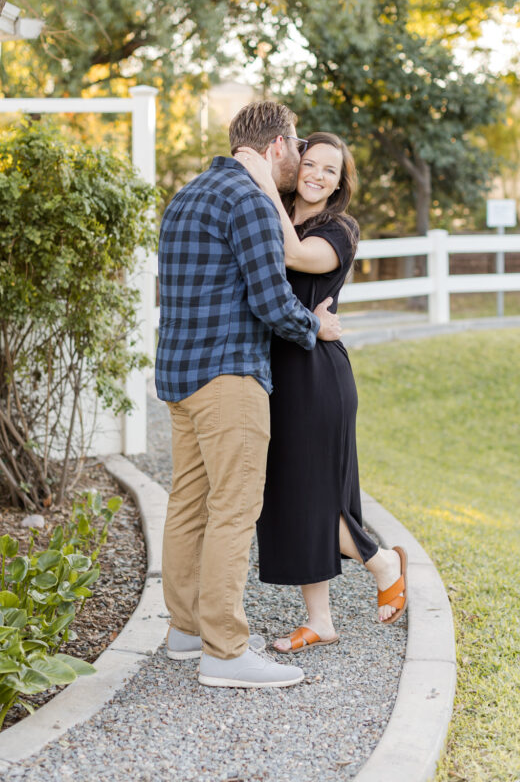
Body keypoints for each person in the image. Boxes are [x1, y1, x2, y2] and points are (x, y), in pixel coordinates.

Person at [156, 102, 343, 687]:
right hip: (230, 378)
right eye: (295, 146)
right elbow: (270, 300)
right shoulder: (252, 200)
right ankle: (226, 652)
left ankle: (186, 631)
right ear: (277, 146)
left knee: (188, 506)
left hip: (179, 378)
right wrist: (318, 326)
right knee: (235, 510)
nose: (298, 159)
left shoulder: (186, 195)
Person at [233, 132, 407, 652]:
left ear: (340, 182)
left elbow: (297, 256)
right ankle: (320, 620)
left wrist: (265, 181)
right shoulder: (279, 211)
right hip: (277, 373)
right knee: (290, 496)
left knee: (312, 496)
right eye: (310, 164)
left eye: (330, 170)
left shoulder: (339, 229)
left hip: (316, 375)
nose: (317, 175)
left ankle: (382, 563)